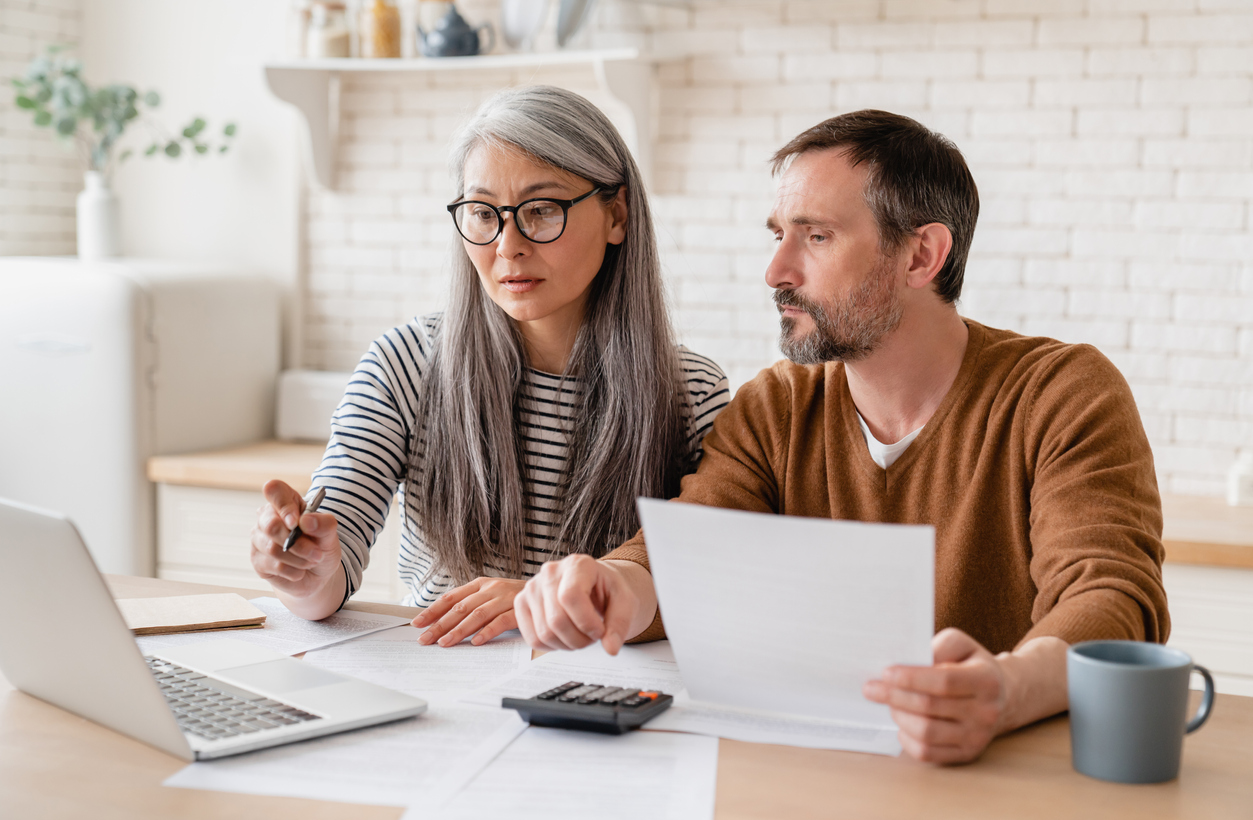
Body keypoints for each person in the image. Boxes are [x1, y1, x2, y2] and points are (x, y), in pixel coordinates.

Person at [513, 109, 1171, 765]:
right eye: (777, 236)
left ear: (921, 255)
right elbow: (686, 551)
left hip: (1004, 776)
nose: (775, 271)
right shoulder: (776, 405)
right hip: (820, 771)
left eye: (816, 237)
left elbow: (1111, 599)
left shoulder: (1059, 393)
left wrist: (1006, 688)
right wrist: (608, 586)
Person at [249, 85, 729, 648]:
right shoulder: (407, 362)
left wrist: (540, 604)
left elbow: (705, 585)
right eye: (483, 214)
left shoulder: (691, 391)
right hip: (445, 682)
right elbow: (330, 572)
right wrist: (302, 567)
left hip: (607, 693)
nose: (508, 245)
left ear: (616, 214)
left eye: (543, 210)